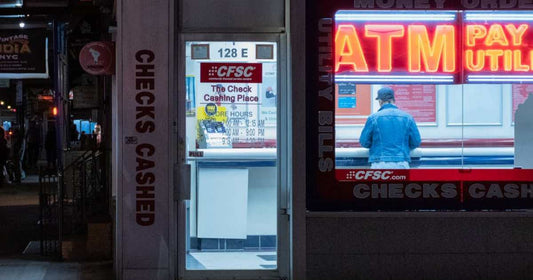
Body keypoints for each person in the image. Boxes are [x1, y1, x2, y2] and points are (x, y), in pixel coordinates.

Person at [359, 87, 421, 169]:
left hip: (380, 163)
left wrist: (376, 145)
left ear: (380, 101)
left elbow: (364, 142)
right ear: (393, 100)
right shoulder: (408, 117)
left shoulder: (373, 118)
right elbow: (416, 142)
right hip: (401, 163)